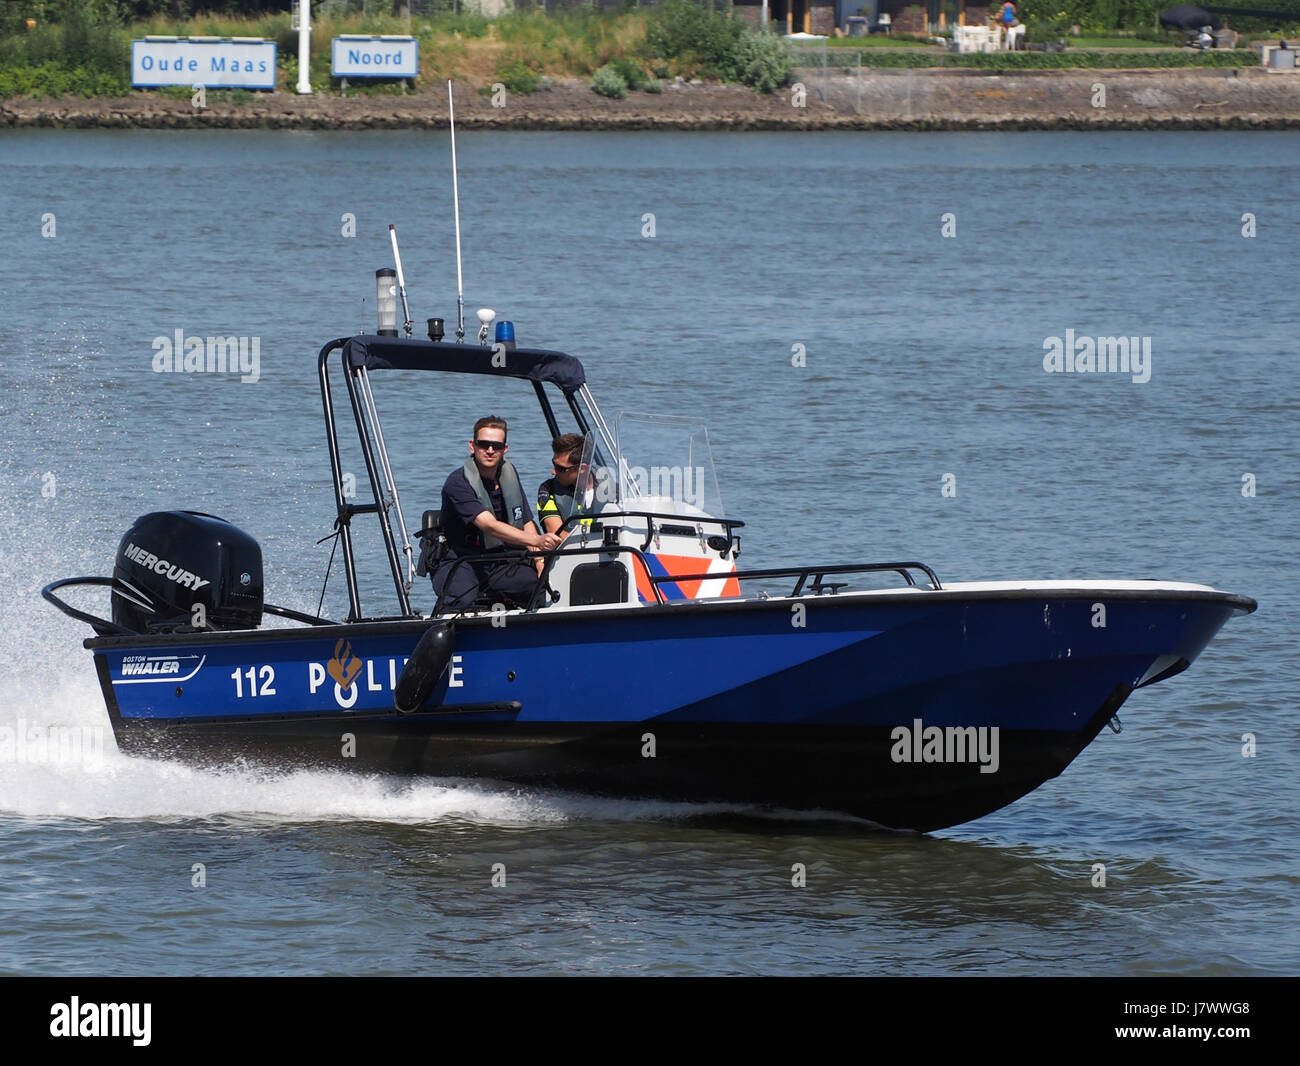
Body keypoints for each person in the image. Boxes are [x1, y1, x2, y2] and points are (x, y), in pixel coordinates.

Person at [432, 416, 560, 612]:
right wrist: (538, 541)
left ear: (505, 449)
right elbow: (488, 526)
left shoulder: (509, 475)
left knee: (538, 587)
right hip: (461, 558)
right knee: (462, 602)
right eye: (484, 444)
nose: (490, 450)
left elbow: (525, 520)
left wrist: (539, 560)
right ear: (472, 446)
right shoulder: (457, 483)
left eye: (496, 446)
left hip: (499, 558)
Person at [536, 433, 585, 538]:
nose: (553, 472)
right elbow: (558, 535)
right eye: (554, 464)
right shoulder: (547, 490)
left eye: (561, 468)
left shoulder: (607, 489)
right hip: (573, 552)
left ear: (582, 469)